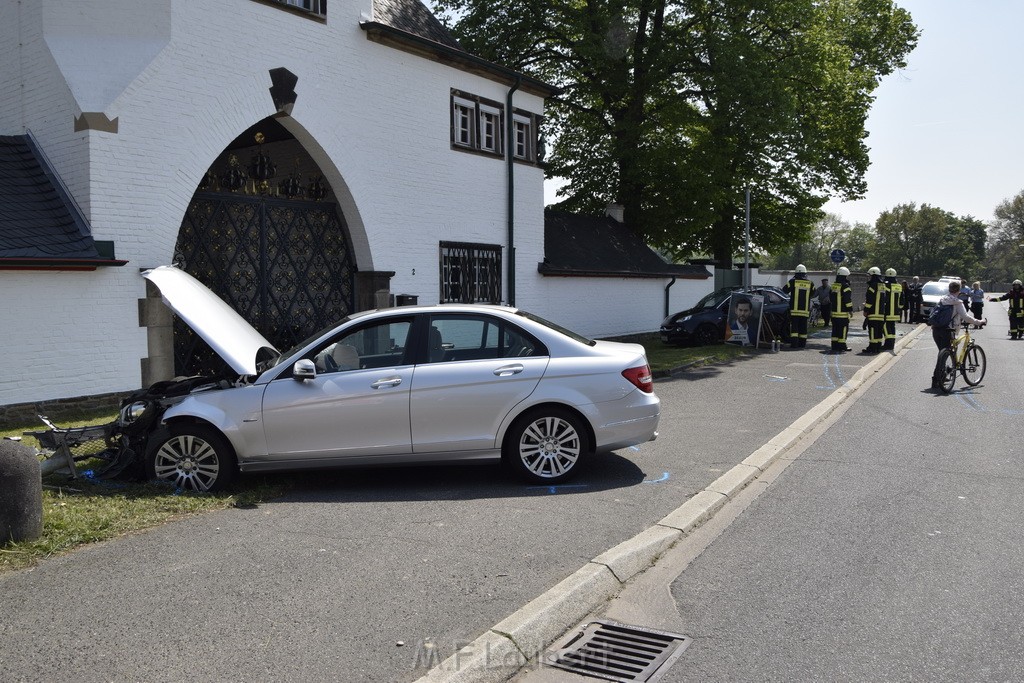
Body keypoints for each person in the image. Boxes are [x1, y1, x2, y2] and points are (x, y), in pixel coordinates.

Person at [931, 280, 986, 390]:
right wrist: (979, 322)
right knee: (946, 354)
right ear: (959, 290)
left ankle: (940, 376)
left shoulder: (943, 299)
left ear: (949, 289)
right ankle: (937, 379)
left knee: (943, 353)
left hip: (936, 329)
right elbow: (966, 317)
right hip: (948, 330)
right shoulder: (957, 302)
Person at [784, 264, 813, 348]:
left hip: (794, 310)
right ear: (805, 273)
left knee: (794, 329)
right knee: (803, 328)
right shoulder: (810, 283)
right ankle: (802, 344)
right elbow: (813, 293)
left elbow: (785, 290)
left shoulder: (793, 281)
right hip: (805, 310)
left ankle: (794, 344)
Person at [861, 266, 887, 354]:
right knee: (879, 331)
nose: (869, 277)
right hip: (881, 313)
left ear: (873, 275)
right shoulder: (882, 286)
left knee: (872, 331)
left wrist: (865, 310)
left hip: (873, 313)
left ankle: (872, 348)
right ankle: (878, 347)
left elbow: (870, 300)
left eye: (870, 275)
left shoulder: (872, 286)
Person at [830, 267, 853, 352]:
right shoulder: (845, 286)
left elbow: (830, 298)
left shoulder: (833, 286)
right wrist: (850, 310)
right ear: (845, 276)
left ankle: (834, 345)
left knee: (835, 330)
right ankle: (842, 346)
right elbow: (847, 300)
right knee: (843, 330)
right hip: (843, 314)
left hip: (834, 313)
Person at [883, 268, 903, 351]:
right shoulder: (899, 286)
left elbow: (883, 299)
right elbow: (902, 300)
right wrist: (899, 308)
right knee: (892, 327)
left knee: (885, 327)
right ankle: (891, 344)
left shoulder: (884, 286)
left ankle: (888, 344)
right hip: (895, 312)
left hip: (886, 312)